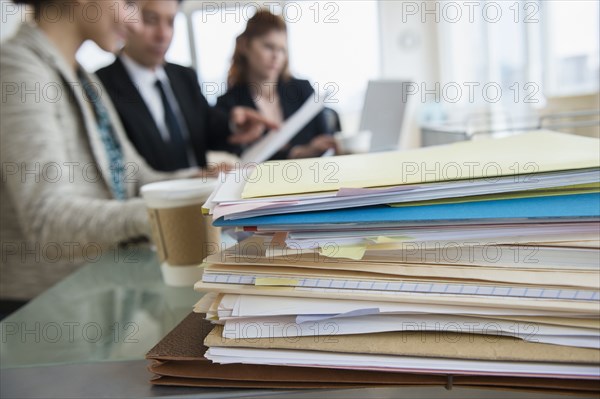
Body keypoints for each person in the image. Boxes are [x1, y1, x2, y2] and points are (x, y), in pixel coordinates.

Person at [0, 0, 273, 305]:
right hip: (42, 313)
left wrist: (202, 181)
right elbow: (47, 220)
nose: (132, 21)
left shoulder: (84, 79)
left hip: (96, 297)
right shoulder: (18, 69)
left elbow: (134, 176)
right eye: (128, 3)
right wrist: (167, 213)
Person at [97, 0, 259, 172]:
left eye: (170, 22)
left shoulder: (184, 76)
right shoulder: (100, 86)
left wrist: (235, 125)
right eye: (150, 20)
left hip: (202, 194)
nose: (163, 34)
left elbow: (208, 129)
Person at [216, 9, 337, 160]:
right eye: (268, 47)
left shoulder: (302, 90)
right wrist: (296, 153)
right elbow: (236, 156)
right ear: (245, 46)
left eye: (282, 50)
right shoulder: (229, 104)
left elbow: (326, 141)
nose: (276, 56)